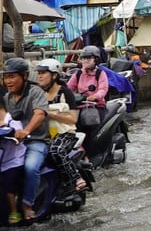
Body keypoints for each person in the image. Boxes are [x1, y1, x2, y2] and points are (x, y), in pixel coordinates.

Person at [2, 58, 49, 221]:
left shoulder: (35, 92)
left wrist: (26, 130)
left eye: (12, 77)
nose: (8, 81)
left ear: (25, 76)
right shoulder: (7, 97)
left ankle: (27, 204)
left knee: (30, 167)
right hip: (12, 143)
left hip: (35, 141)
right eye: (6, 77)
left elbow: (40, 114)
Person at [36, 59, 87, 193]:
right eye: (38, 73)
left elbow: (73, 119)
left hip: (65, 133)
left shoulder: (65, 92)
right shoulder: (38, 94)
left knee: (56, 150)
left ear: (54, 75)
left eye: (43, 73)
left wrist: (52, 115)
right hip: (44, 134)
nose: (39, 76)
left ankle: (76, 178)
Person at [0, 97, 26, 225]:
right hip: (2, 158)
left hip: (13, 159)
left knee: (7, 183)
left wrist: (14, 132)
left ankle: (14, 211)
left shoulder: (12, 119)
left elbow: (19, 133)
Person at [67, 45, 109, 115]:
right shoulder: (78, 74)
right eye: (83, 58)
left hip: (96, 106)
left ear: (96, 60)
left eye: (89, 58)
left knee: (92, 124)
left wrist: (95, 96)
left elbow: (103, 89)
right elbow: (69, 87)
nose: (85, 60)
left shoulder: (100, 73)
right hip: (80, 106)